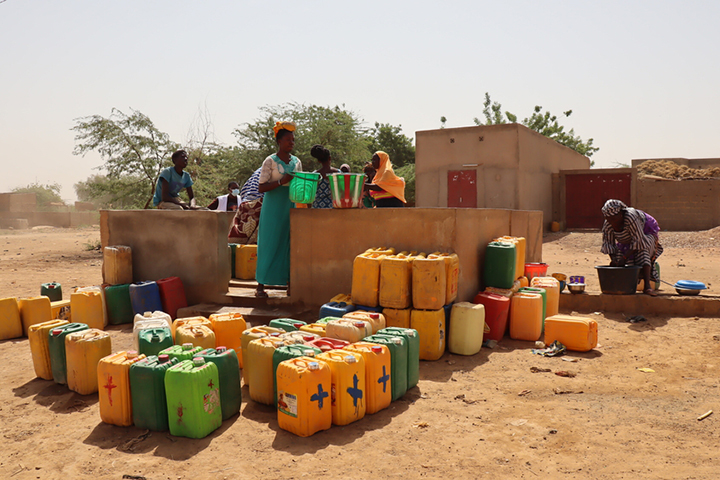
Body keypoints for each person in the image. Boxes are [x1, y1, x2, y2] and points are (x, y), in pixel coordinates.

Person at [254, 121, 302, 297]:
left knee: (288, 243)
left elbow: (299, 183)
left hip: (290, 203)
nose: (291, 143)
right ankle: (260, 285)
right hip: (273, 205)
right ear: (279, 141)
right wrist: (282, 180)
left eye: (293, 140)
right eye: (288, 139)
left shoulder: (296, 162)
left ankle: (289, 283)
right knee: (269, 242)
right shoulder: (270, 161)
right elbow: (261, 187)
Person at [600, 199, 663, 296]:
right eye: (609, 219)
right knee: (619, 256)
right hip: (628, 239)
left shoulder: (631, 217)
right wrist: (615, 260)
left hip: (644, 233)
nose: (612, 222)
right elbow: (609, 244)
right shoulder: (608, 224)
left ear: (620, 213)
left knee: (643, 252)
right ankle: (626, 285)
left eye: (614, 219)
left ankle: (647, 286)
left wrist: (625, 258)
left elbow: (638, 240)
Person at [310, 144, 340, 209]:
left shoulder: (315, 175)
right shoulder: (338, 173)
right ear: (330, 158)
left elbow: (310, 194)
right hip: (334, 207)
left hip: (318, 207)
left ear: (319, 161)